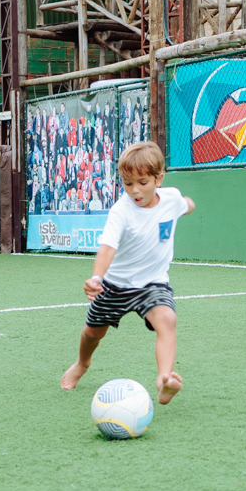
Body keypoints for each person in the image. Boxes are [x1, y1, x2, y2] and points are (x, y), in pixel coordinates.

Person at [61, 141, 195, 406]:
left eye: (142, 182)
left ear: (159, 178)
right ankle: (82, 363)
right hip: (114, 285)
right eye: (127, 183)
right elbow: (107, 248)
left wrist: (188, 205)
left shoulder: (171, 198)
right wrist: (96, 277)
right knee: (92, 333)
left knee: (167, 319)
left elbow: (185, 204)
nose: (135, 190)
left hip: (153, 284)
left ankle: (164, 380)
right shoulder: (121, 211)